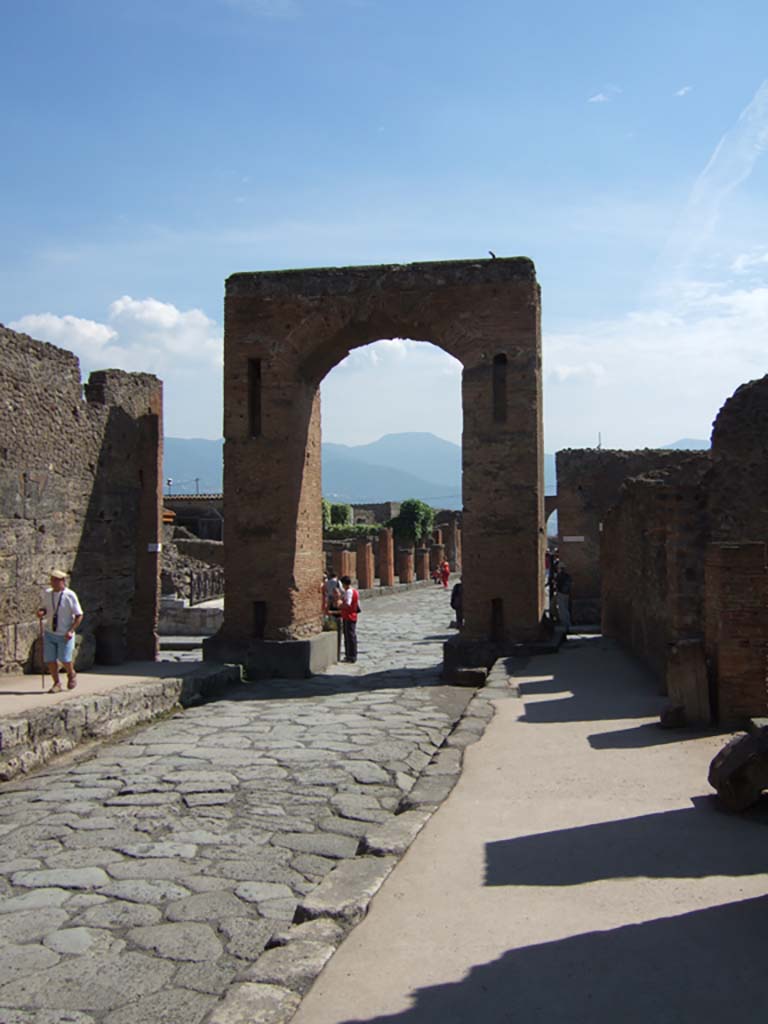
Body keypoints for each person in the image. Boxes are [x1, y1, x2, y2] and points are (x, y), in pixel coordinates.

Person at [37, 569, 83, 693]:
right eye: (52, 580)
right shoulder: (47, 593)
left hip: (65, 633)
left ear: (63, 581)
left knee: (65, 659)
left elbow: (79, 615)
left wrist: (71, 630)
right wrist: (42, 612)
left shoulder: (70, 595)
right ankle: (56, 683)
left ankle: (71, 673)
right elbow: (44, 608)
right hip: (50, 632)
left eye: (56, 580)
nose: (53, 582)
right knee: (50, 659)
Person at [339, 574, 360, 663]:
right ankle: (352, 655)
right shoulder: (355, 591)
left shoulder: (348, 592)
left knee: (349, 636)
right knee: (352, 636)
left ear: (344, 584)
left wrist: (340, 605)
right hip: (353, 615)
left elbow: (348, 604)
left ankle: (350, 656)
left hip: (348, 616)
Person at [555, 564, 572, 633]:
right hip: (566, 594)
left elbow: (557, 583)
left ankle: (565, 624)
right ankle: (568, 623)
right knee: (565, 608)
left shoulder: (559, 576)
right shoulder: (567, 576)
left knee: (562, 609)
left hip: (561, 593)